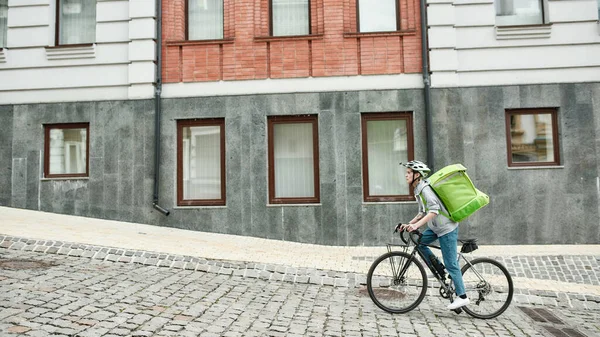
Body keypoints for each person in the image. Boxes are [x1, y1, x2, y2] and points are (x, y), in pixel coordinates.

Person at [397, 160, 469, 310]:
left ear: (417, 175)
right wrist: (408, 224)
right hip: (436, 228)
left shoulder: (425, 190)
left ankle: (462, 296)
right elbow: (422, 212)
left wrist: (416, 226)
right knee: (420, 243)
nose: (406, 174)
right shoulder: (419, 190)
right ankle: (439, 269)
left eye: (409, 172)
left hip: (446, 228)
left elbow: (434, 211)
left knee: (451, 264)